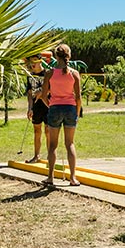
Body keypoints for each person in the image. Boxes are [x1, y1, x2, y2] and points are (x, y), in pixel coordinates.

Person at [40, 43, 83, 186]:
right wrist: (76, 114)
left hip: (55, 109)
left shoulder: (49, 73)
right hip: (70, 109)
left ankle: (50, 178)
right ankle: (73, 178)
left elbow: (44, 95)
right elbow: (78, 98)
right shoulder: (74, 73)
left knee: (52, 146)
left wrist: (51, 105)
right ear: (69, 56)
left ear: (55, 56)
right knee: (69, 143)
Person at [23, 53, 49, 163]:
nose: (32, 64)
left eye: (34, 60)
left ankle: (50, 157)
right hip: (36, 106)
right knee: (36, 131)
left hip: (48, 105)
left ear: (40, 60)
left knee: (48, 131)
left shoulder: (48, 73)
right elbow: (29, 93)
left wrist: (43, 92)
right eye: (30, 61)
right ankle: (36, 156)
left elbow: (53, 88)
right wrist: (30, 108)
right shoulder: (30, 75)